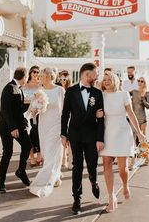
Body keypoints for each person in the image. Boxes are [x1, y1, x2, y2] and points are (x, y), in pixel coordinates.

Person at [61, 63, 105, 215]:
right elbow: (65, 114)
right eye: (95, 73)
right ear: (87, 74)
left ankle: (94, 181)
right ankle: (77, 199)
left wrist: (100, 139)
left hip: (92, 136)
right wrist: (63, 134)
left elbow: (101, 119)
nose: (97, 76)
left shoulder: (97, 93)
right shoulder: (71, 91)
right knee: (77, 166)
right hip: (75, 135)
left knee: (92, 165)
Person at [99, 71, 145, 213]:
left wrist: (139, 132)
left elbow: (130, 113)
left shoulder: (123, 94)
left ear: (114, 80)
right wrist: (97, 114)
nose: (106, 81)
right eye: (104, 79)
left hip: (122, 132)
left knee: (122, 169)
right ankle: (111, 197)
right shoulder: (101, 96)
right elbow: (96, 113)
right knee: (106, 163)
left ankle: (125, 185)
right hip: (106, 132)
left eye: (109, 79)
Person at [30, 67, 65, 198]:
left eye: (43, 76)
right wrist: (35, 110)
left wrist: (64, 129)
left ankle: (44, 181)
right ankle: (55, 176)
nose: (41, 78)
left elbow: (64, 110)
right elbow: (34, 107)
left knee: (52, 151)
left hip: (57, 124)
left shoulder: (59, 90)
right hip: (43, 125)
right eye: (40, 76)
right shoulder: (40, 91)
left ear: (50, 77)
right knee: (46, 152)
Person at [0, 67, 32, 193]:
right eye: (27, 76)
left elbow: (17, 109)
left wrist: (30, 104)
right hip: (7, 127)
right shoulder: (9, 88)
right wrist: (12, 128)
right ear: (24, 76)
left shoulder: (19, 89)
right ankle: (0, 183)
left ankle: (21, 171)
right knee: (8, 152)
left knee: (27, 145)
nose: (28, 79)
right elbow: (6, 110)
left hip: (17, 126)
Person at [22, 65, 43, 167]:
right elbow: (21, 99)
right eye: (34, 72)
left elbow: (42, 100)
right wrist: (31, 101)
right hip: (26, 113)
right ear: (30, 73)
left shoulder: (40, 85)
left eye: (37, 72)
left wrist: (37, 108)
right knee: (28, 135)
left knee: (37, 133)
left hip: (37, 113)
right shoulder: (25, 85)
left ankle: (39, 155)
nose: (35, 74)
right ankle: (31, 157)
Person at [130, 76, 149, 167]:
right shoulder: (133, 92)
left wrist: (143, 98)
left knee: (142, 141)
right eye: (138, 81)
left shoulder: (147, 93)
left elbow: (148, 106)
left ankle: (147, 158)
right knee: (133, 141)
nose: (140, 82)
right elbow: (124, 95)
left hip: (142, 120)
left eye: (142, 81)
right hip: (133, 120)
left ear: (145, 83)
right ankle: (132, 162)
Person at [59, 71, 73, 170]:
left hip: (70, 116)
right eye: (60, 79)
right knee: (63, 138)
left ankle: (70, 160)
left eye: (64, 79)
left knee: (70, 140)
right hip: (60, 116)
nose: (62, 81)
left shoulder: (71, 90)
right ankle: (63, 158)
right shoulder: (58, 89)